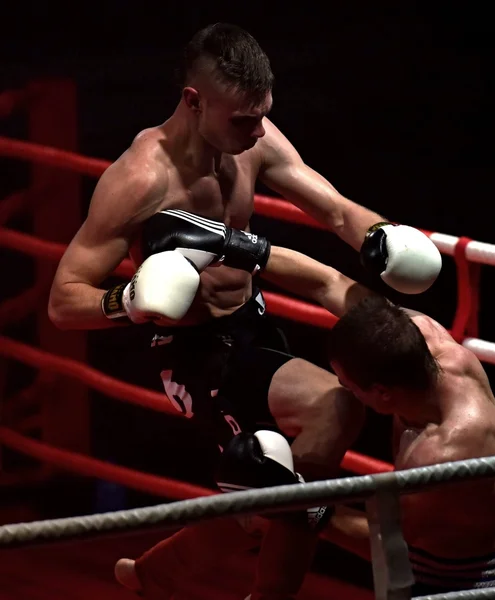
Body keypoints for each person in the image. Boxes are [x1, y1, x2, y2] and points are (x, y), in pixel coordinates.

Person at [47, 23, 441, 600]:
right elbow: (64, 299)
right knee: (327, 424)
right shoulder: (140, 179)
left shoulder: (254, 136)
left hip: (253, 327)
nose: (258, 131)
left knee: (284, 480)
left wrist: (379, 236)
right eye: (243, 120)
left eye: (263, 115)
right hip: (190, 351)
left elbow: (333, 209)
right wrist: (129, 299)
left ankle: (161, 573)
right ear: (192, 101)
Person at [109, 224, 495, 597]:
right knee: (262, 500)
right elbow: (325, 282)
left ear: (383, 392)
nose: (342, 388)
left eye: (351, 384)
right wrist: (235, 246)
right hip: (413, 559)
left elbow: (388, 542)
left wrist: (301, 502)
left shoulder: (448, 454)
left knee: (276, 499)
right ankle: (156, 574)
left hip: (450, 586)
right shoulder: (419, 338)